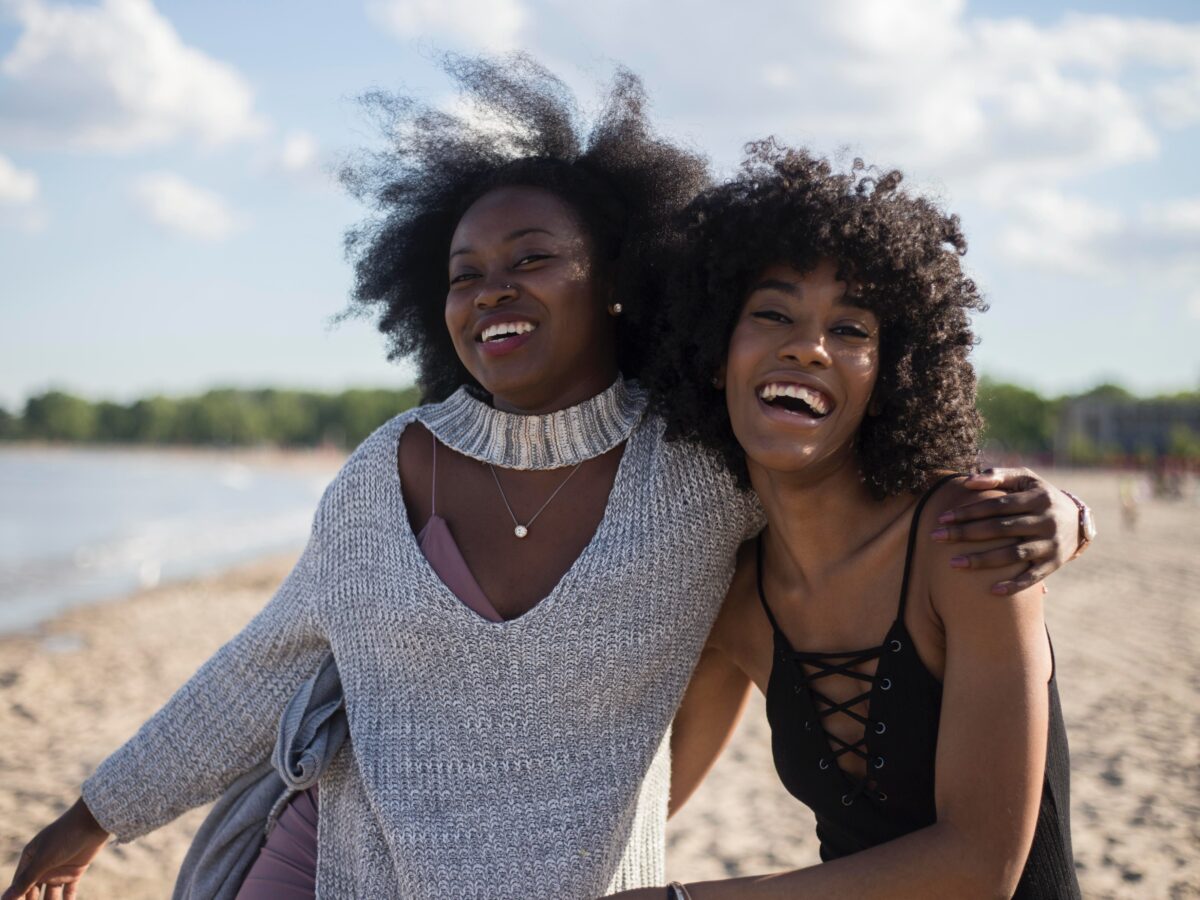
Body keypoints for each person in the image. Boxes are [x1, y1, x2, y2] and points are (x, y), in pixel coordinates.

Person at [4, 61, 1088, 900]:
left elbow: (853, 494)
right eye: (464, 274)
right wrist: (92, 817)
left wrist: (1067, 513)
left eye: (532, 258)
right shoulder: (385, 471)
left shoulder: (700, 473)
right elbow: (262, 666)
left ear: (618, 282)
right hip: (339, 869)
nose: (493, 290)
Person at [619, 144, 1082, 898]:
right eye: (773, 314)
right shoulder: (734, 596)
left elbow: (980, 867)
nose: (808, 347)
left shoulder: (966, 540)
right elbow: (635, 802)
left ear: (891, 375)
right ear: (713, 353)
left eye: (852, 330)